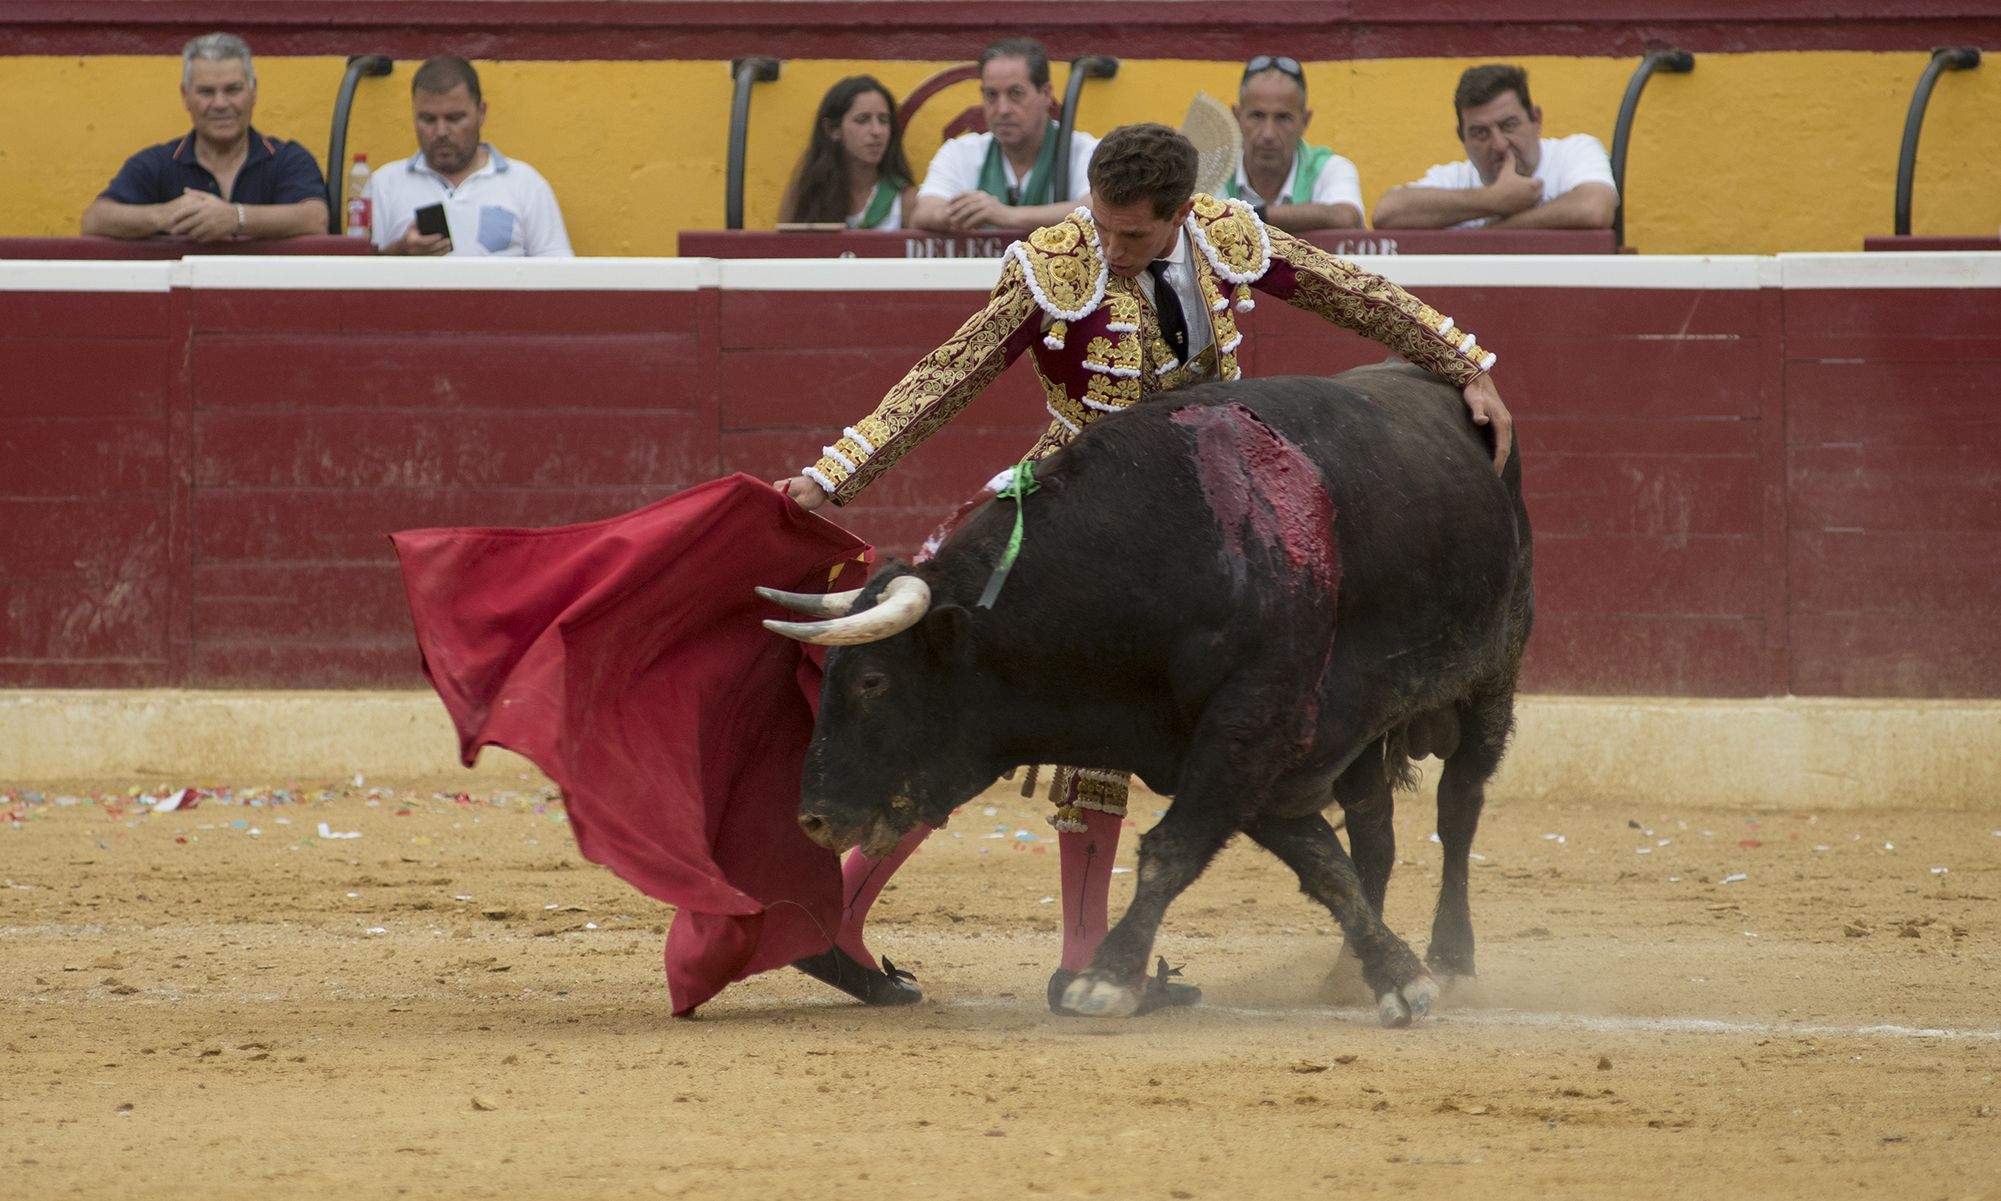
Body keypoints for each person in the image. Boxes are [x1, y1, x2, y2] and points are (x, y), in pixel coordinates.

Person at [772, 123, 1511, 1012]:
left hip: (1199, 531)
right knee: (956, 705)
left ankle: (1083, 952)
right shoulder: (1055, 261)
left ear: (1178, 215)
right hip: (1072, 530)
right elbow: (949, 372)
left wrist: (1463, 365)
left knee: (1112, 739)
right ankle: (850, 918)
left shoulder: (1225, 238)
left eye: (1132, 237)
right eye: (1101, 225)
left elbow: (1350, 292)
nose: (1110, 250)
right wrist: (832, 474)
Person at [81, 33, 327, 242]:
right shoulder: (156, 163)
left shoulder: (287, 159)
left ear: (253, 92)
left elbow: (315, 219)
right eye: (206, 92)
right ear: (185, 96)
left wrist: (235, 218)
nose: (220, 104)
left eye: (233, 90)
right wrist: (165, 215)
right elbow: (95, 220)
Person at [368, 57, 572, 257]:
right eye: (428, 119)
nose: (441, 131)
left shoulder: (525, 184)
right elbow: (358, 279)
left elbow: (559, 278)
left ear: (481, 112)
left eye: (454, 118)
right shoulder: (384, 185)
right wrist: (398, 253)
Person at [1373, 63, 1617, 230]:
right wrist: (1493, 199)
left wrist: (1492, 232)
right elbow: (1386, 213)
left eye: (1509, 125)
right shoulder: (1455, 177)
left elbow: (1594, 208)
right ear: (1461, 137)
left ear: (1536, 119)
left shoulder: (1573, 152)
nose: (1499, 145)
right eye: (1480, 133)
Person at [907, 38, 1098, 233]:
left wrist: (1006, 215)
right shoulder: (960, 152)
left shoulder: (1084, 150)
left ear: (1046, 94)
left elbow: (1097, 210)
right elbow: (923, 213)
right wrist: (954, 214)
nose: (1002, 109)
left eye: (1015, 93)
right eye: (991, 95)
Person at [1227, 54, 1364, 233]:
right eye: (1257, 116)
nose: (1268, 133)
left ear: (1305, 121)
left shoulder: (1330, 168)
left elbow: (1346, 217)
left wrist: (1249, 217)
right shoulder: (1214, 170)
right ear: (1237, 117)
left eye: (1283, 118)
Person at [780, 76, 918, 230]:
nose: (876, 131)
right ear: (833, 130)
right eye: (862, 120)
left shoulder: (905, 200)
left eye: (883, 120)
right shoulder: (807, 195)